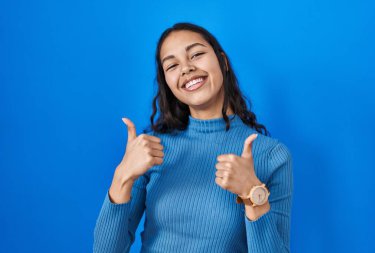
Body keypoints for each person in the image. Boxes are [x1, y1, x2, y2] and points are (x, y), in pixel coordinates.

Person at [94, 22, 293, 253]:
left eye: (196, 54)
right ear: (167, 83)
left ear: (223, 61)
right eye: (172, 66)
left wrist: (252, 194)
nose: (186, 69)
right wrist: (122, 177)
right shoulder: (152, 149)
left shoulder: (271, 155)